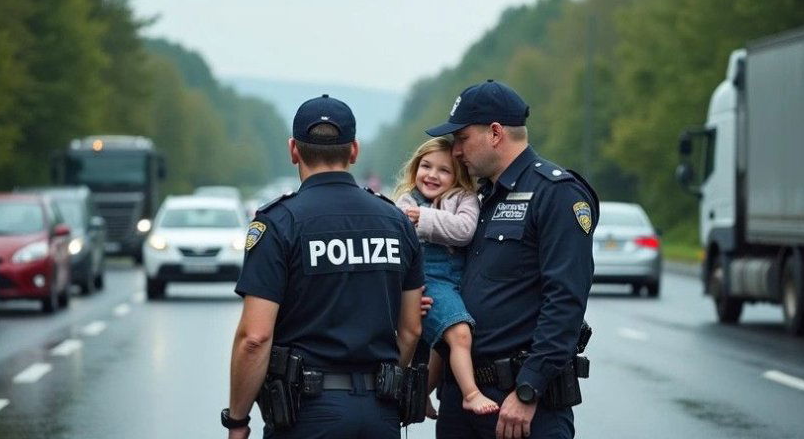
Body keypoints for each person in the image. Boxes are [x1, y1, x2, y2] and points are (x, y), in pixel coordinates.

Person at [222, 94, 425, 439]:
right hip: (380, 414)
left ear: (293, 150)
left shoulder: (280, 223)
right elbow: (411, 331)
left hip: (307, 414)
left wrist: (238, 421)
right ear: (354, 151)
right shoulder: (395, 221)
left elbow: (255, 337)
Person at [425, 80, 599, 439]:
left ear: (494, 133)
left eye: (462, 138)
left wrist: (529, 388)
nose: (455, 151)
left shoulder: (555, 194)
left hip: (520, 404)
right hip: (463, 397)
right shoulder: (477, 198)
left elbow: (565, 301)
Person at [392, 137, 500, 417]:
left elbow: (465, 230)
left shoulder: (464, 199)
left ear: (458, 176)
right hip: (430, 282)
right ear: (415, 167)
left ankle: (422, 393)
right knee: (460, 335)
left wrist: (424, 218)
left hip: (458, 282)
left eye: (444, 170)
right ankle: (471, 393)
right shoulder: (405, 202)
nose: (432, 175)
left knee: (441, 345)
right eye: (426, 166)